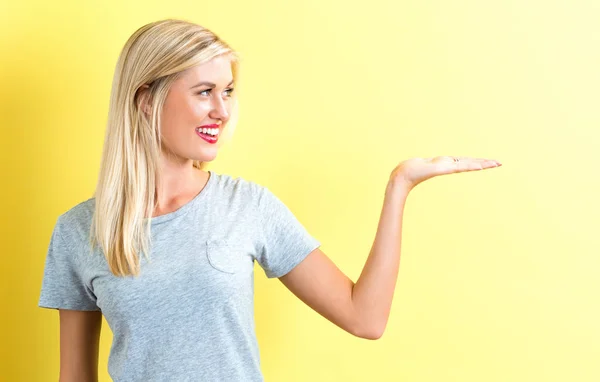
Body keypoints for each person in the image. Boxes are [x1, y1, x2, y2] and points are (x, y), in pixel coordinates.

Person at [37, 18, 502, 382]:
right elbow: (75, 375)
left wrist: (400, 186)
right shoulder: (80, 231)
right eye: (204, 92)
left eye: (227, 93)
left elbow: (366, 318)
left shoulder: (247, 207)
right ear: (145, 99)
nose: (221, 110)